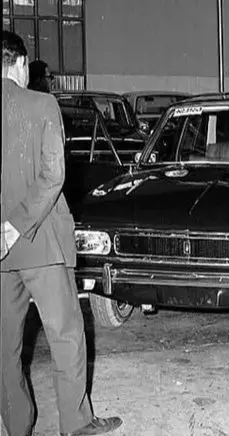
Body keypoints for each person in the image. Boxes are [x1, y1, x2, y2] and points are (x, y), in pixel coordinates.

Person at [1, 31, 122, 436]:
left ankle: (16, 425)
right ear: (21, 63)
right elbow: (53, 174)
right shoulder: (42, 104)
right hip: (42, 245)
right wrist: (14, 226)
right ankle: (76, 423)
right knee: (66, 335)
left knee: (4, 346)